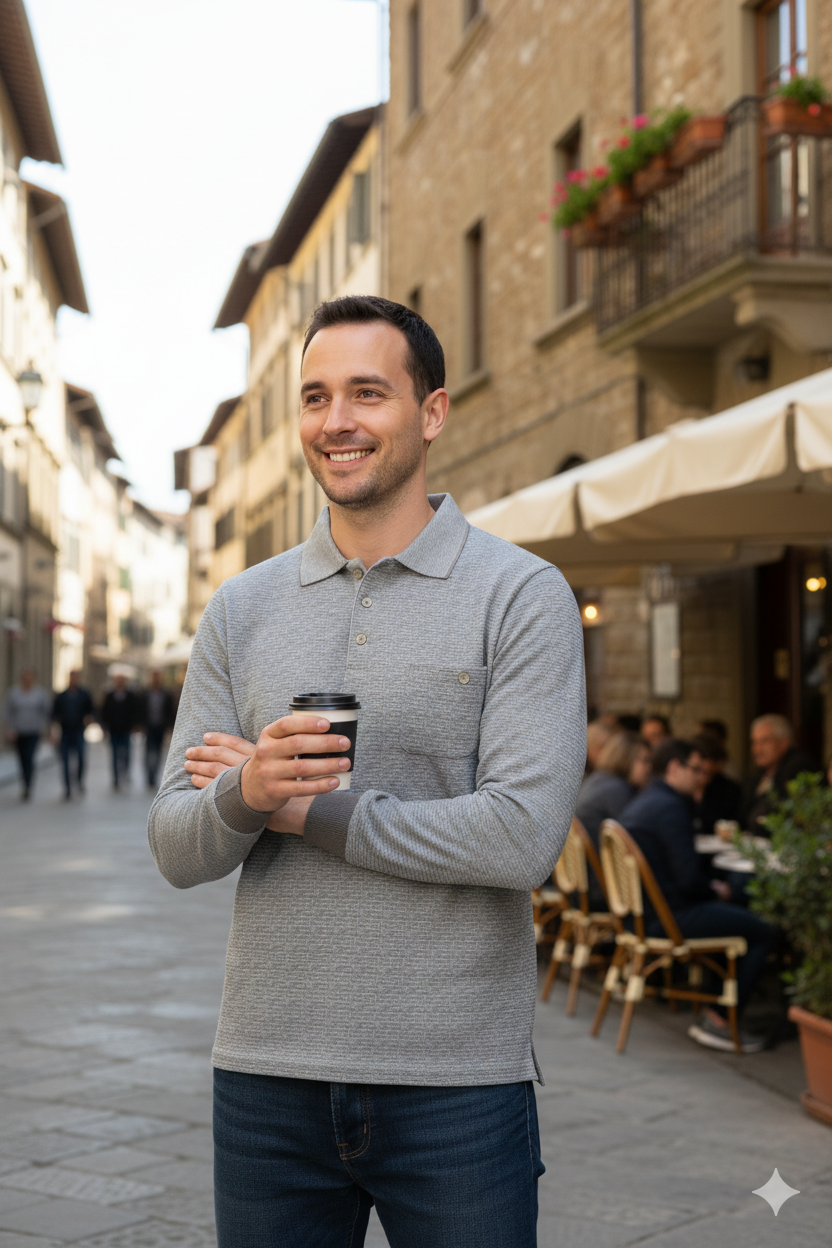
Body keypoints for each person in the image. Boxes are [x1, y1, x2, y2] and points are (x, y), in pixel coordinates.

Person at [149, 295, 586, 1248]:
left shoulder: (521, 595)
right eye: (314, 397)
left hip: (458, 1083)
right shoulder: (241, 607)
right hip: (265, 1077)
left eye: (366, 393)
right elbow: (177, 847)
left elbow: (520, 837)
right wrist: (245, 793)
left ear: (430, 413)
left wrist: (305, 814)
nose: (335, 421)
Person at [620, 739, 777, 1054]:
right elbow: (690, 881)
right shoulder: (670, 807)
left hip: (637, 916)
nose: (701, 778)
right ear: (675, 768)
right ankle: (720, 1020)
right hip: (667, 919)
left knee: (733, 911)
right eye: (696, 770)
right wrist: (717, 889)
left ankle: (715, 1004)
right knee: (764, 930)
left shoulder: (644, 801)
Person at [741, 714, 817, 834]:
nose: (757, 749)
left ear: (784, 743)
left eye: (765, 741)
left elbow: (780, 813)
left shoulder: (798, 767)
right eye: (754, 742)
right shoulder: (760, 774)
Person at [575, 731, 651, 849]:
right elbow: (630, 839)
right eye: (644, 760)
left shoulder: (597, 779)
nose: (649, 767)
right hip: (598, 864)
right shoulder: (617, 789)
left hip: (581, 862)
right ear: (625, 758)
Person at [3, 667, 51, 800]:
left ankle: (28, 786)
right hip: (18, 732)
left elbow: (46, 712)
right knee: (22, 758)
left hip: (33, 731)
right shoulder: (14, 693)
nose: (27, 680)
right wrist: (10, 729)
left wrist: (47, 729)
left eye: (29, 677)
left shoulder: (40, 693)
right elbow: (8, 712)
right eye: (25, 677)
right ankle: (24, 781)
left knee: (29, 757)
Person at [52, 669, 94, 799]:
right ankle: (67, 788)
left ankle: (79, 781)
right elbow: (55, 715)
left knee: (81, 758)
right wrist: (54, 732)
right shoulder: (62, 696)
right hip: (65, 733)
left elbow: (91, 710)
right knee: (65, 761)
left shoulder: (84, 694)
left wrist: (89, 718)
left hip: (79, 732)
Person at [690, 732, 741, 837]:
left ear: (717, 763)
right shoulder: (682, 790)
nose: (701, 765)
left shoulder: (729, 790)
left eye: (705, 759)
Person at [100, 673, 142, 791]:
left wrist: (135, 726)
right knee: (114, 755)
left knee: (126, 754)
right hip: (113, 730)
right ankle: (116, 778)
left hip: (126, 730)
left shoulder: (130, 696)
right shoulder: (109, 695)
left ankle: (126, 773)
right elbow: (104, 712)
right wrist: (104, 728)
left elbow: (135, 711)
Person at [141, 670, 176, 789]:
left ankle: (154, 776)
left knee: (158, 753)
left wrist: (170, 727)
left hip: (160, 728)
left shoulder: (166, 694)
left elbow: (170, 712)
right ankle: (149, 776)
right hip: (149, 727)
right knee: (148, 752)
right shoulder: (145, 693)